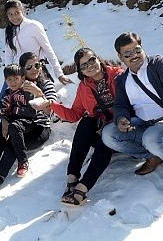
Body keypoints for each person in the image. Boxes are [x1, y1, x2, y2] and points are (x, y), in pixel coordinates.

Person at [101, 32, 163, 193]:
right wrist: (121, 118)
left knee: (152, 136)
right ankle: (154, 155)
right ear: (120, 57)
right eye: (128, 53)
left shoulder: (160, 63)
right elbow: (121, 105)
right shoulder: (121, 80)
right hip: (143, 124)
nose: (134, 55)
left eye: (137, 50)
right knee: (108, 134)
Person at [0, 52, 57, 198]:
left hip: (38, 128)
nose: (35, 69)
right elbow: (3, 108)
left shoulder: (46, 84)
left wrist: (39, 94)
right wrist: (5, 121)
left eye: (37, 65)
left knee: (10, 144)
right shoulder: (12, 88)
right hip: (15, 125)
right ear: (22, 71)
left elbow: (51, 111)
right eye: (29, 67)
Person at [48, 48, 124, 206]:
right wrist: (51, 105)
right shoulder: (84, 87)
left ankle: (83, 187)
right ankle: (72, 178)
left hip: (123, 129)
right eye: (84, 65)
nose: (90, 66)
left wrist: (111, 123)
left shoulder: (118, 76)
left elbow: (131, 105)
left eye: (92, 60)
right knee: (86, 122)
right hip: (103, 129)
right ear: (80, 70)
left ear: (98, 59)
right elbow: (75, 114)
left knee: (106, 135)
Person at [0, 0, 72, 125]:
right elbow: (9, 55)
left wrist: (59, 73)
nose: (14, 17)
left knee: (30, 101)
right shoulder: (9, 31)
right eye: (10, 14)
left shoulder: (34, 26)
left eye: (17, 13)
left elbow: (48, 49)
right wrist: (8, 75)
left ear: (23, 11)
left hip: (34, 69)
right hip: (17, 72)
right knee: (2, 101)